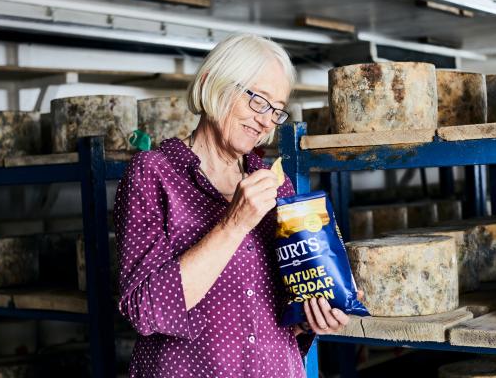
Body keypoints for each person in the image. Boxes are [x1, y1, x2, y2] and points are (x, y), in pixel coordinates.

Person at [113, 33, 350, 378]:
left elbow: (283, 308)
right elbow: (145, 310)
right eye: (258, 101)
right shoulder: (153, 173)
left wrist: (313, 315)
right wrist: (234, 223)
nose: (267, 121)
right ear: (213, 83)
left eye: (276, 110)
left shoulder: (272, 182)